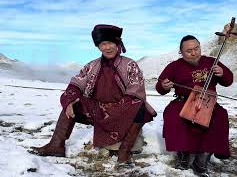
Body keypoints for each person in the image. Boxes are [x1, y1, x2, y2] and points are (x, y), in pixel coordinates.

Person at [31, 24, 157, 166]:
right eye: (103, 44)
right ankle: (56, 145)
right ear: (98, 47)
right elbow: (76, 83)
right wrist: (70, 100)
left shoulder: (130, 64)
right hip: (98, 110)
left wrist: (120, 109)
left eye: (110, 43)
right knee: (72, 104)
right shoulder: (92, 65)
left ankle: (124, 152)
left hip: (123, 110)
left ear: (117, 44)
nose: (107, 47)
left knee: (139, 107)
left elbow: (136, 89)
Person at [155, 35, 233, 176]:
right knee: (172, 114)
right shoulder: (174, 66)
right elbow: (160, 88)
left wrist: (222, 73)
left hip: (207, 101)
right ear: (181, 52)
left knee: (220, 116)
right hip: (183, 100)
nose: (194, 52)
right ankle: (183, 155)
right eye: (189, 50)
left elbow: (228, 81)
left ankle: (203, 158)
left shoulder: (211, 62)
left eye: (196, 48)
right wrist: (164, 85)